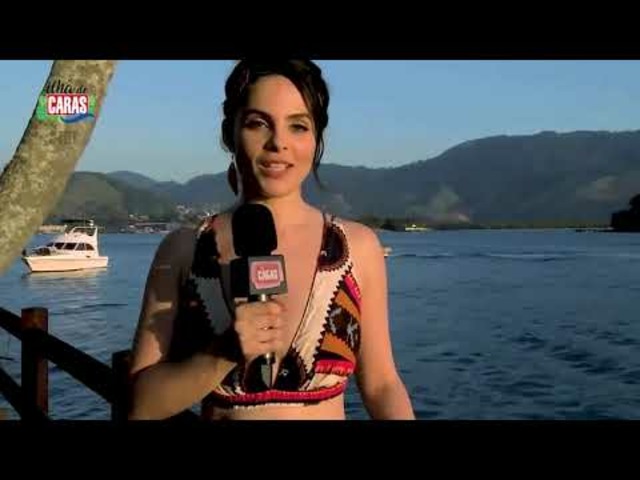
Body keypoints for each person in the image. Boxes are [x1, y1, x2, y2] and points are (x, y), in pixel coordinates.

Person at [127, 59, 415, 420]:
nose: (278, 142)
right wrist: (221, 354)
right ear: (229, 133)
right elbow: (139, 405)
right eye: (258, 123)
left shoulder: (358, 247)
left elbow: (382, 386)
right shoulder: (185, 250)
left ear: (317, 140)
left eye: (298, 126)